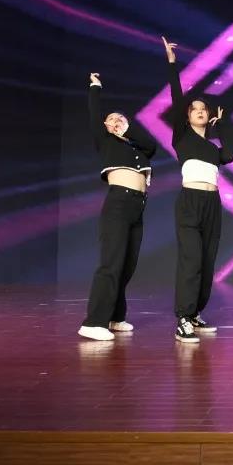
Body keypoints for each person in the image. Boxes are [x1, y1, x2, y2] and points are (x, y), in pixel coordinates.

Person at [163, 36, 233, 344]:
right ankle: (182, 318)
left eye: (203, 109)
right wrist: (172, 64)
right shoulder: (182, 137)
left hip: (212, 203)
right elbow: (177, 99)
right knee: (191, 260)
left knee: (207, 263)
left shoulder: (212, 147)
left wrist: (221, 127)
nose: (200, 111)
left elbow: (229, 156)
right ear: (188, 116)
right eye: (195, 109)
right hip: (190, 202)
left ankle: (194, 314)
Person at [78, 72, 157, 342]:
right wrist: (95, 87)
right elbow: (94, 114)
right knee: (111, 263)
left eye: (120, 119)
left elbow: (151, 144)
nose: (115, 122)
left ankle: (115, 316)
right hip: (118, 203)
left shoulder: (138, 147)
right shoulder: (105, 141)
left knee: (127, 265)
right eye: (111, 119)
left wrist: (127, 129)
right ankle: (93, 322)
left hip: (137, 206)